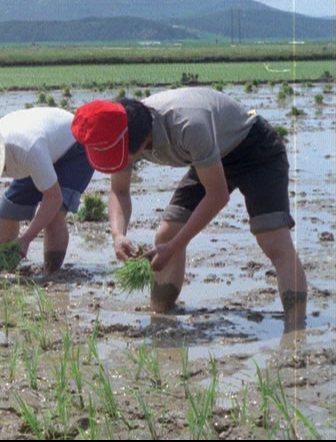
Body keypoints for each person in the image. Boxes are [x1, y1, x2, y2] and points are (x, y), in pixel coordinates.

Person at [70, 87, 308, 330]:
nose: (120, 163)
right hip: (209, 157)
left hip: (256, 150)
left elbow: (217, 196)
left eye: (120, 157)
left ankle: (296, 328)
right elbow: (119, 191)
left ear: (136, 141)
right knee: (167, 233)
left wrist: (174, 248)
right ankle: (161, 315)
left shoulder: (188, 125)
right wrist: (118, 234)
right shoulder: (119, 129)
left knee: (272, 240)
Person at [0, 107, 95, 278]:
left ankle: (53, 276)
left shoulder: (25, 149)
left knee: (54, 217)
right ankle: (0, 273)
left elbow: (54, 198)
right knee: (6, 214)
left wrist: (26, 239)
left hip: (74, 147)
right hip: (40, 152)